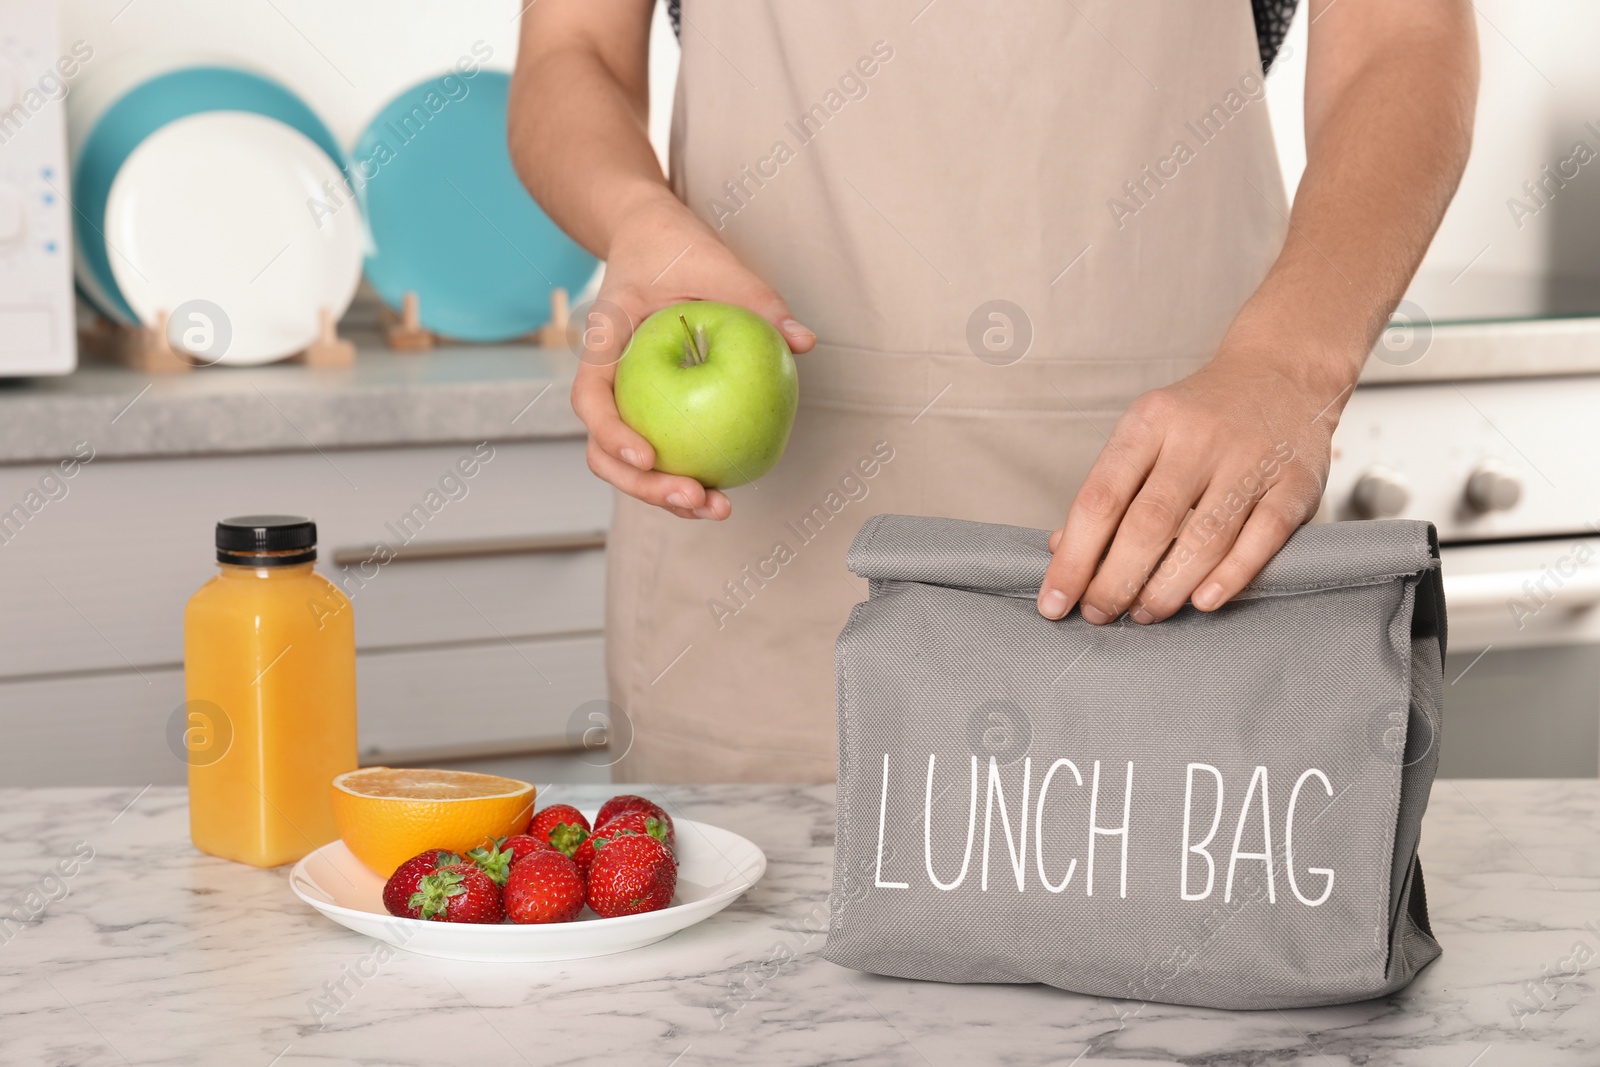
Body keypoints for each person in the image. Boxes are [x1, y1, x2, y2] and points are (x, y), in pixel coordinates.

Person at [509, 1, 1477, 783]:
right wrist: (639, 223)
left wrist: (1288, 364)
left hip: (1176, 513)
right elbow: (571, 50)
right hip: (767, 581)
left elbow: (1403, 37)